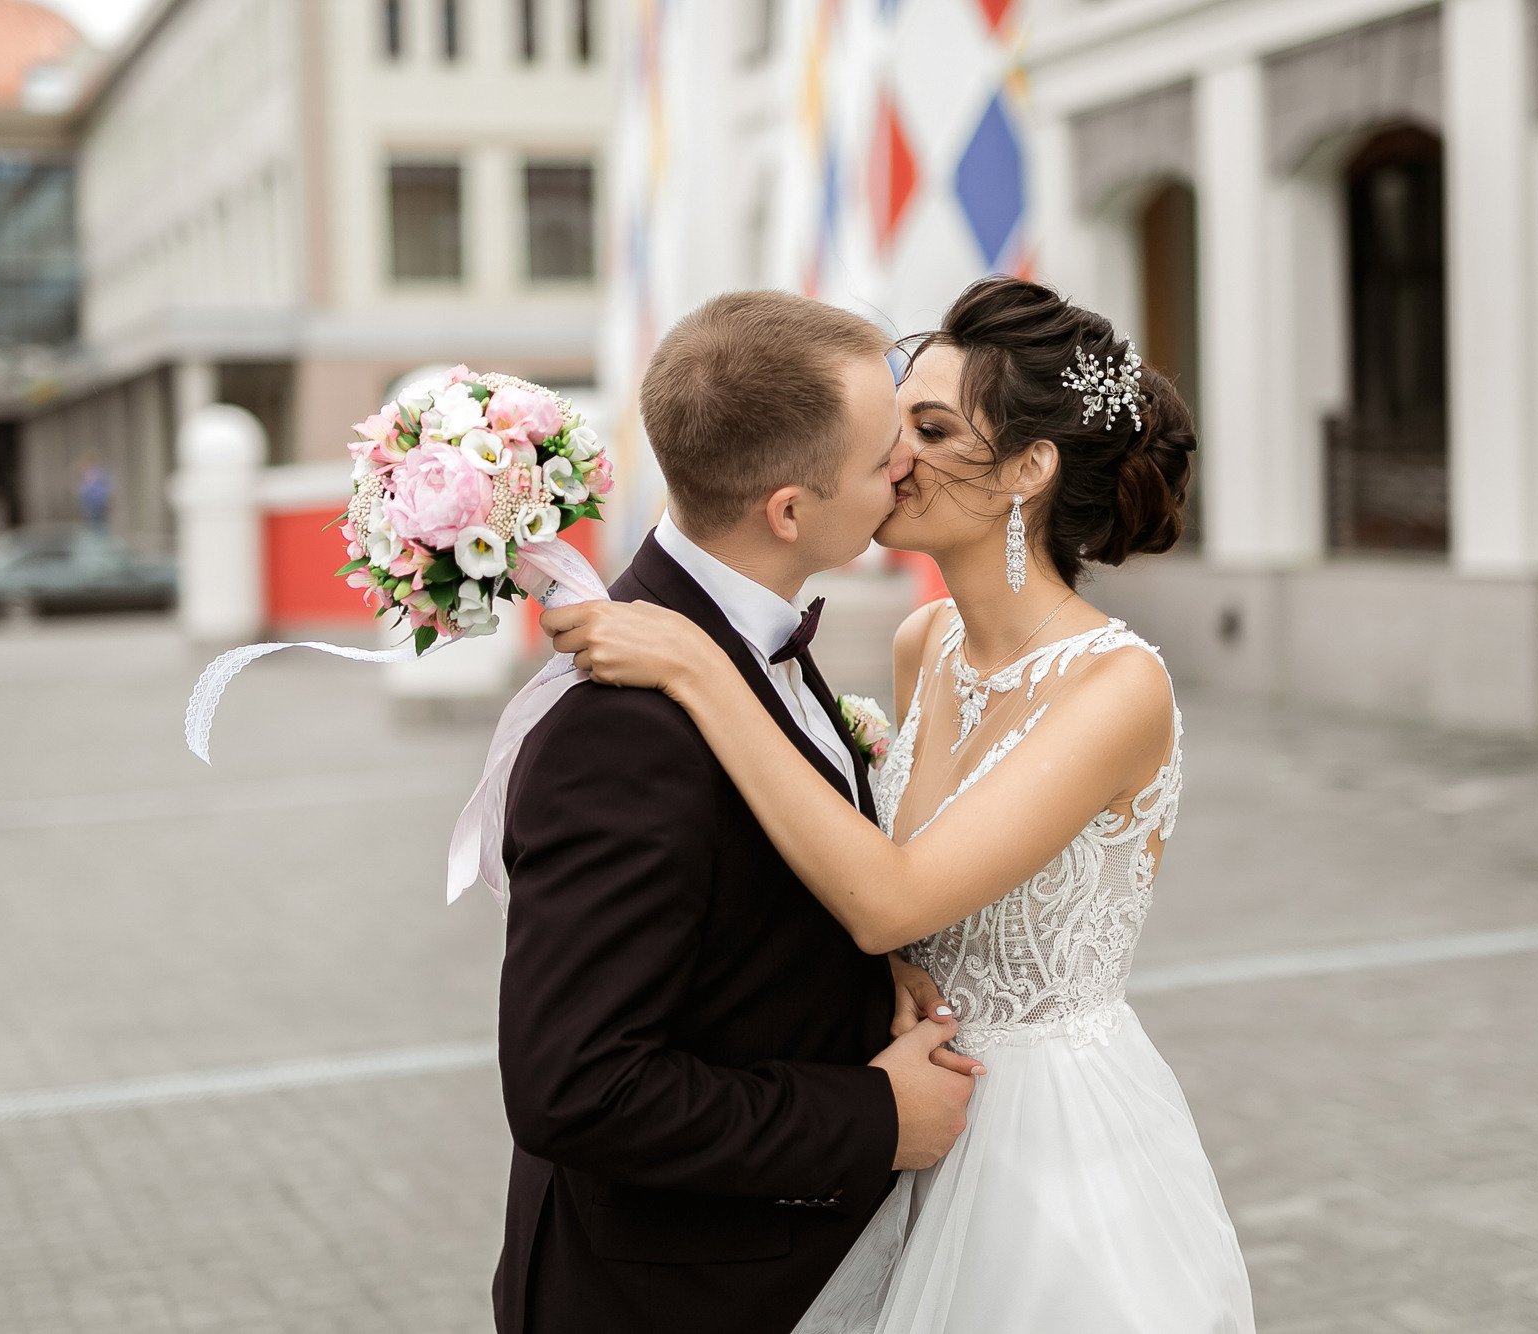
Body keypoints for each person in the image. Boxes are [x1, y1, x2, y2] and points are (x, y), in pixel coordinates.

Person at [543, 276, 1258, 1332]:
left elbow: (894, 894)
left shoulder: (1116, 685)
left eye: (925, 427)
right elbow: (887, 907)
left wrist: (700, 668)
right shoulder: (926, 644)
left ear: (1028, 469)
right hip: (905, 1114)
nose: (891, 456)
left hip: (1045, 1142)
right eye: (891, 422)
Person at [492, 290, 987, 1334]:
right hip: (672, 1294)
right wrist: (872, 1116)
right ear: (788, 511)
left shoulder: (736, 635)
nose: (906, 463)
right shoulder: (618, 731)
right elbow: (576, 1086)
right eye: (881, 452)